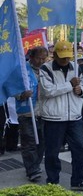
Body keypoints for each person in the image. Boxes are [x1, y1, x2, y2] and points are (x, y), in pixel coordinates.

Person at [39, 41, 83, 191]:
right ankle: (53, 181)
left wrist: (80, 90)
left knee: (79, 149)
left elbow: (82, 84)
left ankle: (78, 180)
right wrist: (70, 85)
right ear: (55, 54)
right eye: (62, 57)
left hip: (74, 116)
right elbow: (48, 91)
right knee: (52, 152)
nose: (65, 60)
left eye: (68, 57)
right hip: (54, 117)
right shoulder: (46, 69)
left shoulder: (75, 67)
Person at [14, 46, 48, 181]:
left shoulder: (46, 70)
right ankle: (32, 170)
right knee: (29, 142)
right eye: (39, 58)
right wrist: (21, 95)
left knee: (42, 141)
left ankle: (35, 164)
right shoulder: (22, 70)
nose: (41, 61)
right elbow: (12, 87)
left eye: (43, 58)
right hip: (27, 112)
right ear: (32, 57)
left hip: (43, 112)